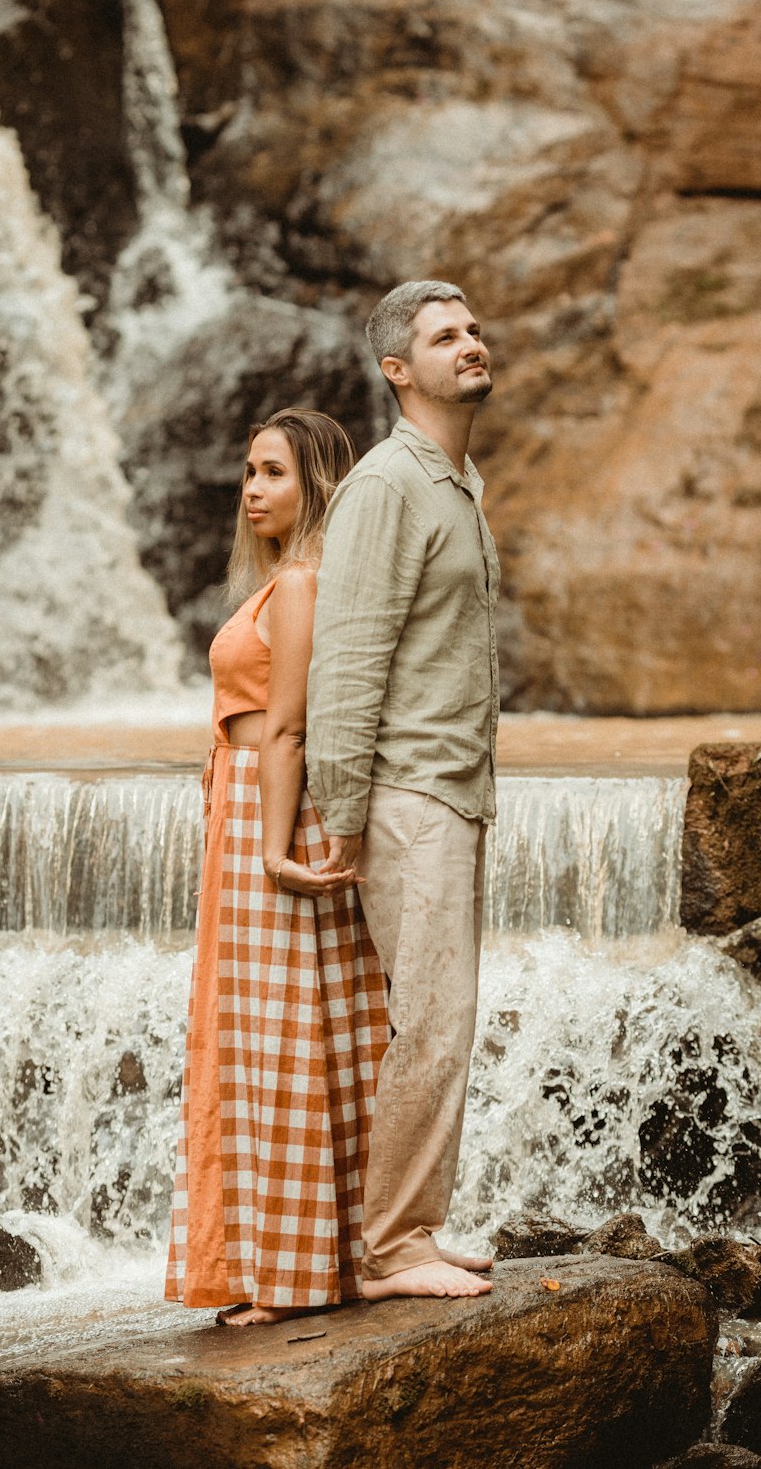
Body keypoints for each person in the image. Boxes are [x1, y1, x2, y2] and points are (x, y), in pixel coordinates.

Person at [165, 407, 390, 1326]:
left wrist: (267, 841)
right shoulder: (290, 584)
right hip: (253, 809)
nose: (253, 490)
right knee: (290, 1039)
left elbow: (293, 724)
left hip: (275, 817)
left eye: (273, 473)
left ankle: (291, 1278)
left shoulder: (300, 584)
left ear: (318, 485)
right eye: (248, 473)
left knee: (282, 1043)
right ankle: (303, 1260)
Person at [306, 280, 500, 1301]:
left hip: (454, 794)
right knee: (429, 1019)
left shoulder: (454, 482)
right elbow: (347, 656)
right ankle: (390, 1252)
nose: (470, 343)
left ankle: (412, 1226)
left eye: (471, 329)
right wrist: (340, 816)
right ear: (396, 370)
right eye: (443, 337)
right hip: (407, 795)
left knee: (444, 1019)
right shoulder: (386, 484)